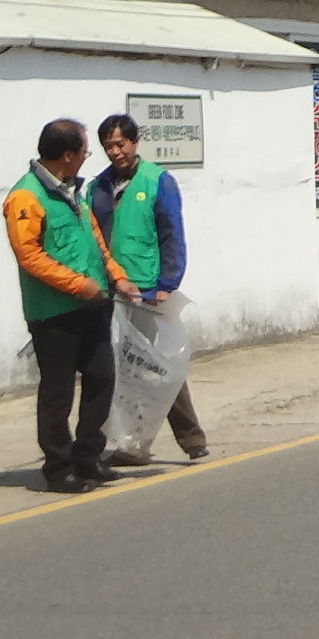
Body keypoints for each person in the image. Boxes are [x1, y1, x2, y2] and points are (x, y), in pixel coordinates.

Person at [4, 118, 138, 492]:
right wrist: (77, 284)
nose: (86, 157)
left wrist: (116, 275)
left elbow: (93, 237)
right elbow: (28, 255)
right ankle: (59, 468)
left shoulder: (71, 190)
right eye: (84, 150)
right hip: (54, 313)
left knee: (101, 379)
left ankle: (88, 457)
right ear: (68, 155)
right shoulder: (25, 197)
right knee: (58, 391)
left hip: (93, 305)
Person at [89, 113, 208, 463]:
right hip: (110, 290)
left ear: (134, 142)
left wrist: (167, 284)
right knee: (121, 371)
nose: (114, 151)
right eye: (108, 146)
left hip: (146, 290)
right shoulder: (98, 187)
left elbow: (173, 235)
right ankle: (131, 444)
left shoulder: (158, 181)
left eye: (120, 144)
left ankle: (191, 439)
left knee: (157, 367)